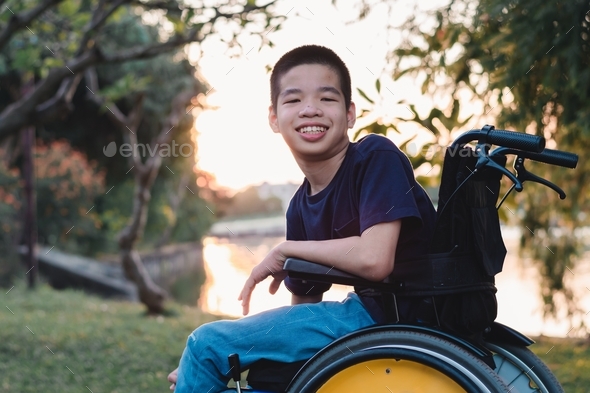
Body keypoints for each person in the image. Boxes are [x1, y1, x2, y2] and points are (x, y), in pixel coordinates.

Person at [168, 44, 436, 392]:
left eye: (327, 99)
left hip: (399, 315)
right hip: (366, 316)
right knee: (242, 371)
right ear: (274, 119)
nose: (310, 110)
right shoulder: (299, 206)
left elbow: (375, 259)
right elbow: (302, 313)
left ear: (350, 113)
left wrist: (285, 251)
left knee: (206, 343)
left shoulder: (375, 156)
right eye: (293, 100)